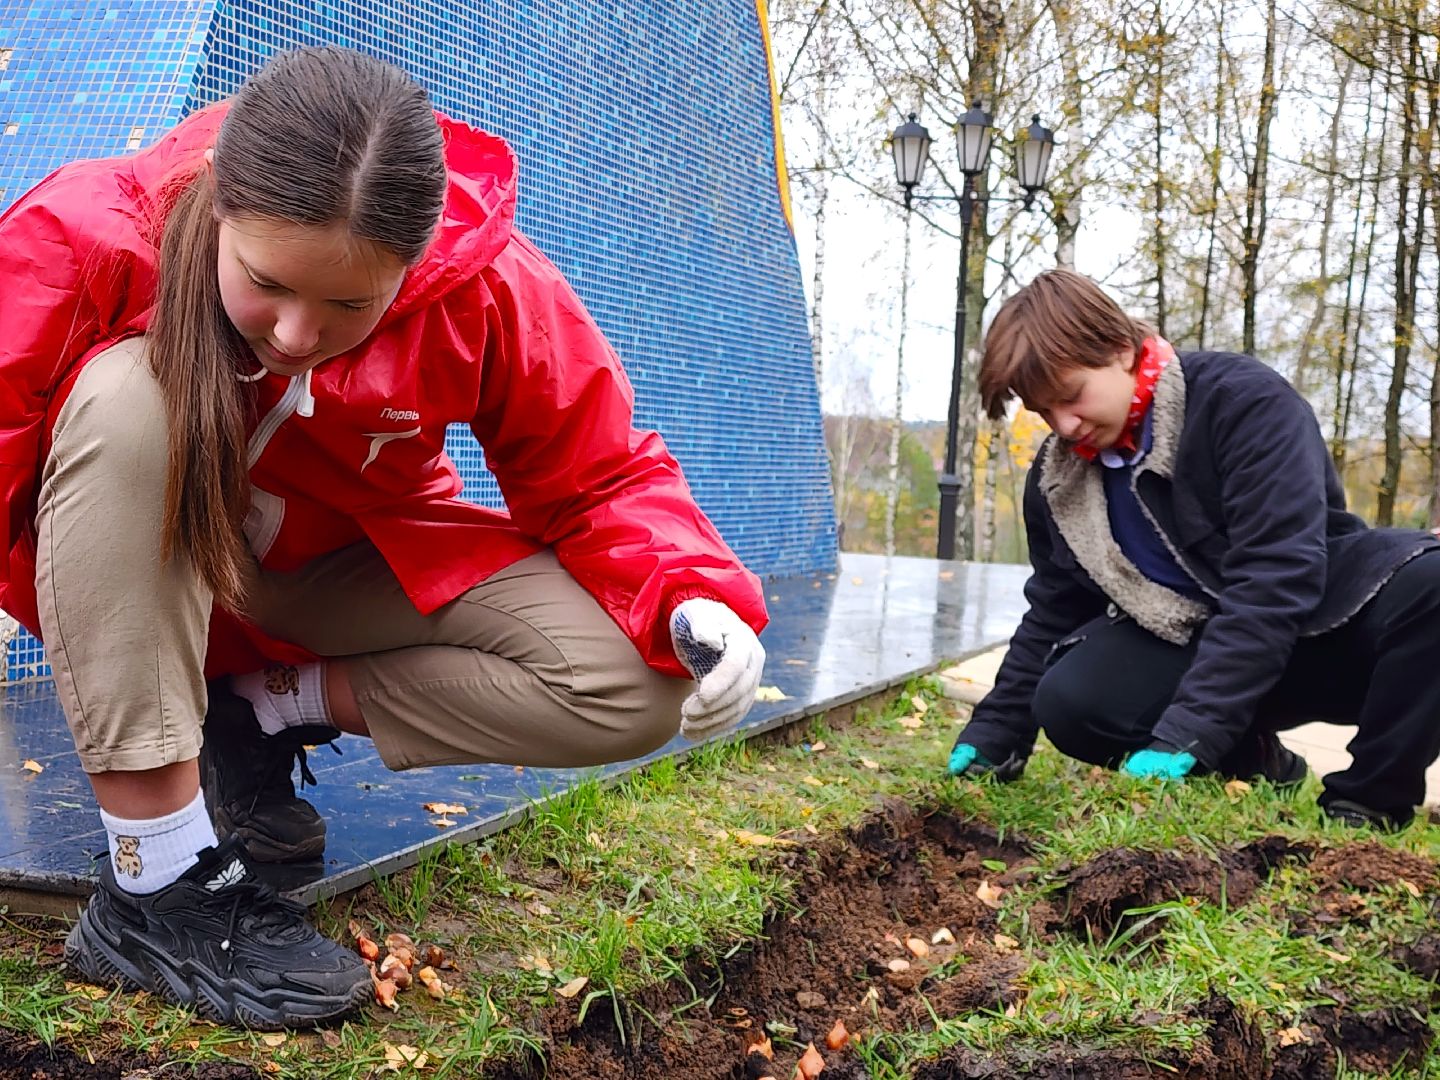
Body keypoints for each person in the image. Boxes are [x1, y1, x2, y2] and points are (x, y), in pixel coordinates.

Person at [0, 46, 768, 1028]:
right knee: (129, 392)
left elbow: (601, 473)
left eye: (350, 305)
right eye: (268, 282)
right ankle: (158, 879)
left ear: (415, 261)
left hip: (330, 577)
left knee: (636, 680)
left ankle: (261, 711)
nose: (293, 335)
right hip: (156, 571)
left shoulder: (489, 285)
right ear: (223, 206)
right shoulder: (93, 229)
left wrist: (689, 588)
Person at [948, 269, 1440, 832]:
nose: (1064, 424)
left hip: (1317, 622)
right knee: (1072, 699)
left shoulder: (1242, 402)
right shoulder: (1059, 477)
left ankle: (1367, 803)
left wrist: (1190, 730)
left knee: (1432, 584)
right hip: (1192, 645)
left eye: (1071, 396)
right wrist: (995, 729)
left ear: (1119, 349)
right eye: (1043, 411)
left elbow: (1276, 578)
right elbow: (1055, 607)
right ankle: (1255, 763)